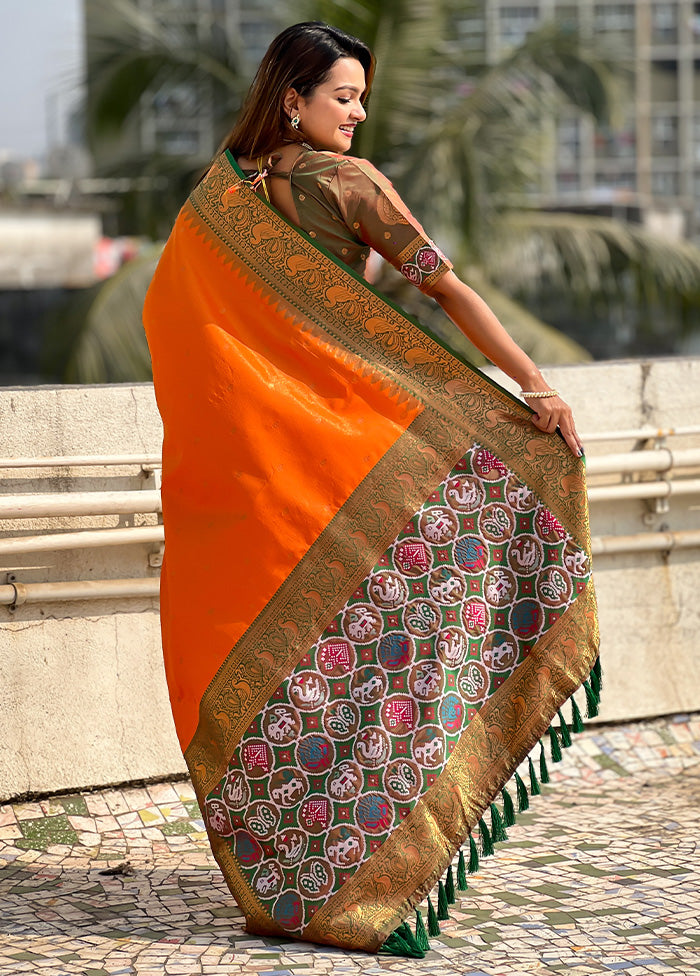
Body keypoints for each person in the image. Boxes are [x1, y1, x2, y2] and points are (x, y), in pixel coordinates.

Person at [143, 21, 599, 958]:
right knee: (383, 642)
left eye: (360, 98)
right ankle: (363, 879)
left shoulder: (211, 206)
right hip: (344, 457)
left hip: (250, 473)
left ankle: (296, 886)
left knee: (288, 669)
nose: (357, 113)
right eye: (343, 96)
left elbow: (174, 326)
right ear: (292, 101)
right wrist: (535, 388)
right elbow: (450, 292)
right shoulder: (348, 183)